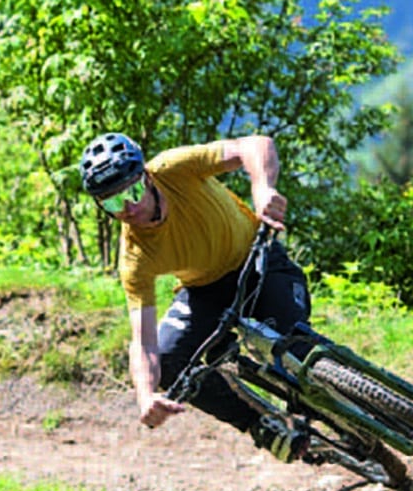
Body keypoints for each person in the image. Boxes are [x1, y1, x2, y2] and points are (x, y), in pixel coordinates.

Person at [78, 132, 311, 462]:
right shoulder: (134, 258)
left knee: (295, 351)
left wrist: (263, 188)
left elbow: (255, 145)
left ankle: (341, 407)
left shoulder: (173, 169)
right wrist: (145, 395)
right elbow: (143, 342)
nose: (128, 208)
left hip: (258, 259)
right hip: (204, 290)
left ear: (145, 176)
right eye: (112, 203)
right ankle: (261, 424)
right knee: (168, 357)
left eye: (131, 192)